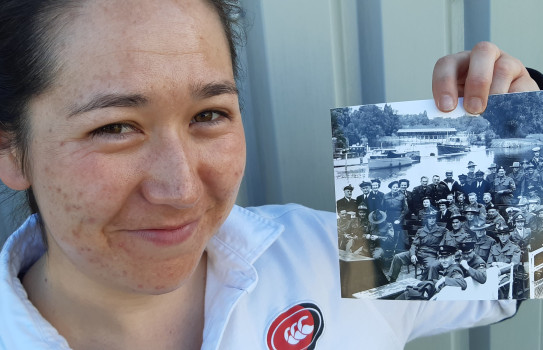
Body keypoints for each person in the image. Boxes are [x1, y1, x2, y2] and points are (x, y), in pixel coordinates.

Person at [0, 1, 537, 347]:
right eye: (115, 128)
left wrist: (522, 119)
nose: (181, 189)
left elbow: (522, 252)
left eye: (208, 115)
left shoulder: (349, 254)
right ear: (11, 152)